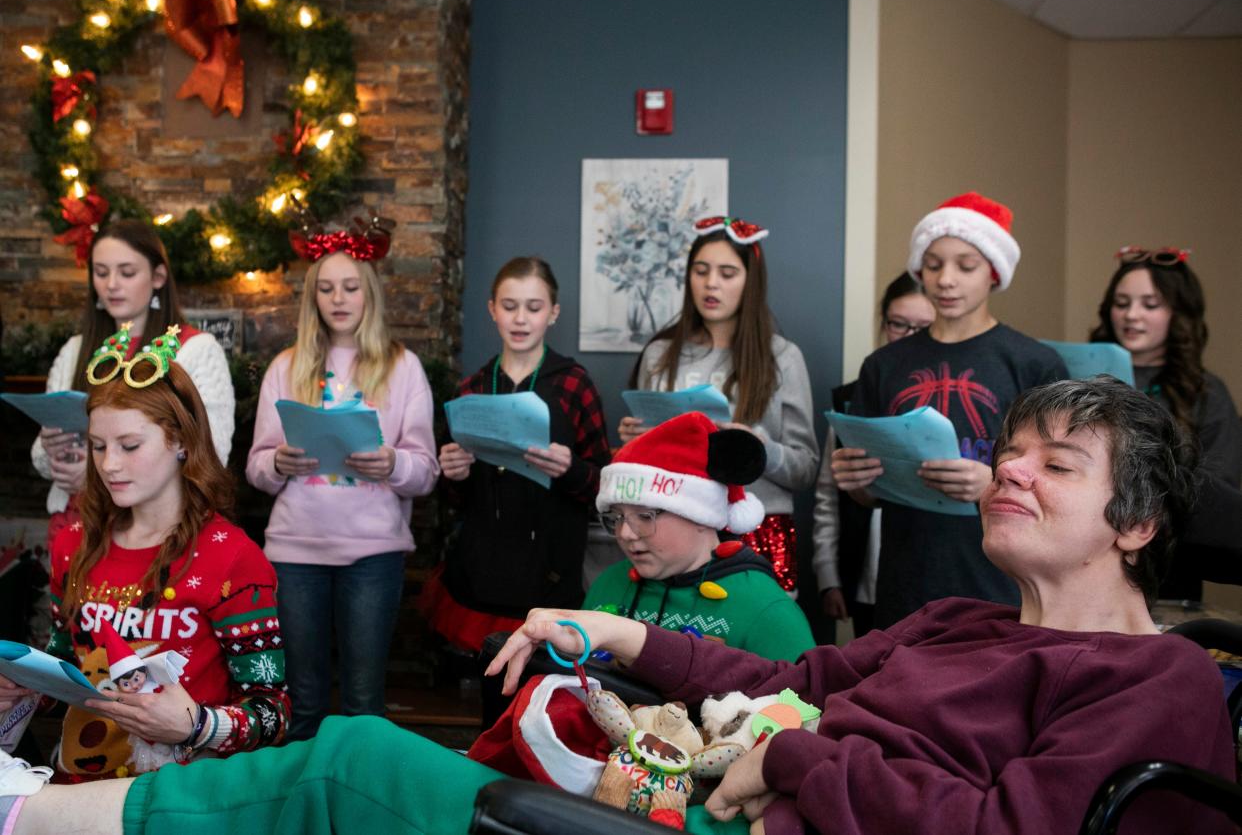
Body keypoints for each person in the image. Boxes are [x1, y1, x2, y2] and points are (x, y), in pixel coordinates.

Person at [3, 378, 1234, 835]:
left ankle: (35, 815)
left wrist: (798, 765)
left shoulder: (1157, 682)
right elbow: (786, 686)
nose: (1008, 468)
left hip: (742, 814)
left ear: (1135, 525)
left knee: (350, 762)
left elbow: (1007, 827)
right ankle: (43, 807)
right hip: (721, 790)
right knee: (354, 749)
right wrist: (610, 628)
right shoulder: (961, 626)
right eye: (1008, 450)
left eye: (1053, 463)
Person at [0, 327, 286, 784]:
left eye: (129, 446)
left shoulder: (231, 558)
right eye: (97, 446)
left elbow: (272, 712)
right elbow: (65, 667)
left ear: (182, 444)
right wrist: (23, 690)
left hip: (180, 800)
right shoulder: (74, 544)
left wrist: (197, 725)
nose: (109, 463)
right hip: (77, 792)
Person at [832, 192, 1067, 628]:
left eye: (966, 265)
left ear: (993, 273)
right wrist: (856, 482)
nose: (946, 279)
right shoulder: (884, 365)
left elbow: (1062, 480)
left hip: (999, 584)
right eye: (934, 264)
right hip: (905, 584)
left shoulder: (1033, 363)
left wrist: (991, 484)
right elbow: (867, 492)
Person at [245, 218, 439, 741]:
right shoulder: (286, 367)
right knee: (302, 700)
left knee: (363, 703)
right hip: (294, 553)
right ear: (312, 298)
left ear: (369, 293)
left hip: (372, 555)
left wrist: (392, 463)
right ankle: (301, 809)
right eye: (326, 289)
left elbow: (426, 471)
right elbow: (256, 469)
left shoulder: (403, 367)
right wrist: (279, 463)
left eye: (351, 287)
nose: (339, 299)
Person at [620, 216, 818, 592]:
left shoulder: (783, 357)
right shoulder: (660, 354)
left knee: (752, 645)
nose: (711, 283)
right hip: (670, 529)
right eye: (701, 271)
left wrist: (756, 447)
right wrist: (637, 442)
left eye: (727, 273)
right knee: (668, 644)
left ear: (750, 281)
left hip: (758, 533)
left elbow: (806, 469)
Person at [423, 257, 611, 652]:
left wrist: (571, 469)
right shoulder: (473, 388)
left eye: (534, 307)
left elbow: (605, 488)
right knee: (488, 682)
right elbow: (454, 500)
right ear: (492, 309)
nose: (521, 319)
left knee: (542, 690)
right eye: (509, 306)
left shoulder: (574, 384)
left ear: (553, 313)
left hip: (551, 569)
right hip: (483, 567)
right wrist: (453, 475)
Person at [31, 220, 235, 546]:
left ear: (158, 277)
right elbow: (40, 455)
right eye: (100, 272)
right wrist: (50, 450)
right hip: (78, 526)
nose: (112, 284)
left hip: (163, 531)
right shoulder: (75, 350)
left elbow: (213, 453)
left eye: (126, 273)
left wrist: (94, 471)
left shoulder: (195, 349)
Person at [582, 412, 815, 662]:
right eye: (616, 517)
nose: (625, 533)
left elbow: (804, 699)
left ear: (702, 516)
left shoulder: (766, 610)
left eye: (645, 516)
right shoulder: (608, 584)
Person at [1089, 246, 1242, 600]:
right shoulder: (1082, 380)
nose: (1132, 315)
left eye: (1150, 304)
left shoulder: (1205, 392)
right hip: (1081, 563)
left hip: (1167, 572)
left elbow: (1216, 492)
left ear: (1178, 312)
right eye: (1122, 302)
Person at [812, 273, 934, 636]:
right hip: (868, 574)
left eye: (923, 327)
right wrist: (829, 576)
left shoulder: (952, 402)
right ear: (883, 324)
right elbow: (827, 493)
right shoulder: (856, 398)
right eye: (899, 325)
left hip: (934, 574)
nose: (909, 338)